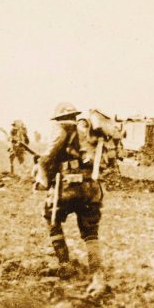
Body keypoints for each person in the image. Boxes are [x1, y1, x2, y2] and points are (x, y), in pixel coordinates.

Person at [35, 102, 106, 292]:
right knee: (91, 233)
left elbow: (47, 158)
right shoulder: (88, 132)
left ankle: (65, 264)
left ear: (58, 118)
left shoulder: (61, 129)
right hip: (91, 187)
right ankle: (97, 272)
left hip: (68, 187)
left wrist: (42, 177)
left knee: (51, 217)